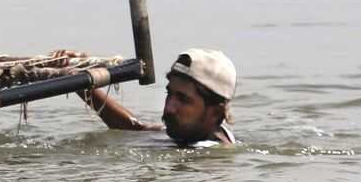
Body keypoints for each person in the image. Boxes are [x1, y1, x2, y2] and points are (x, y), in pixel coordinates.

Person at [77, 48, 239, 146]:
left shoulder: (206, 161)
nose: (169, 107)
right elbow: (137, 129)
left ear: (216, 113)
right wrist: (79, 78)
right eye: (170, 94)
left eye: (184, 100)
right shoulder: (192, 133)